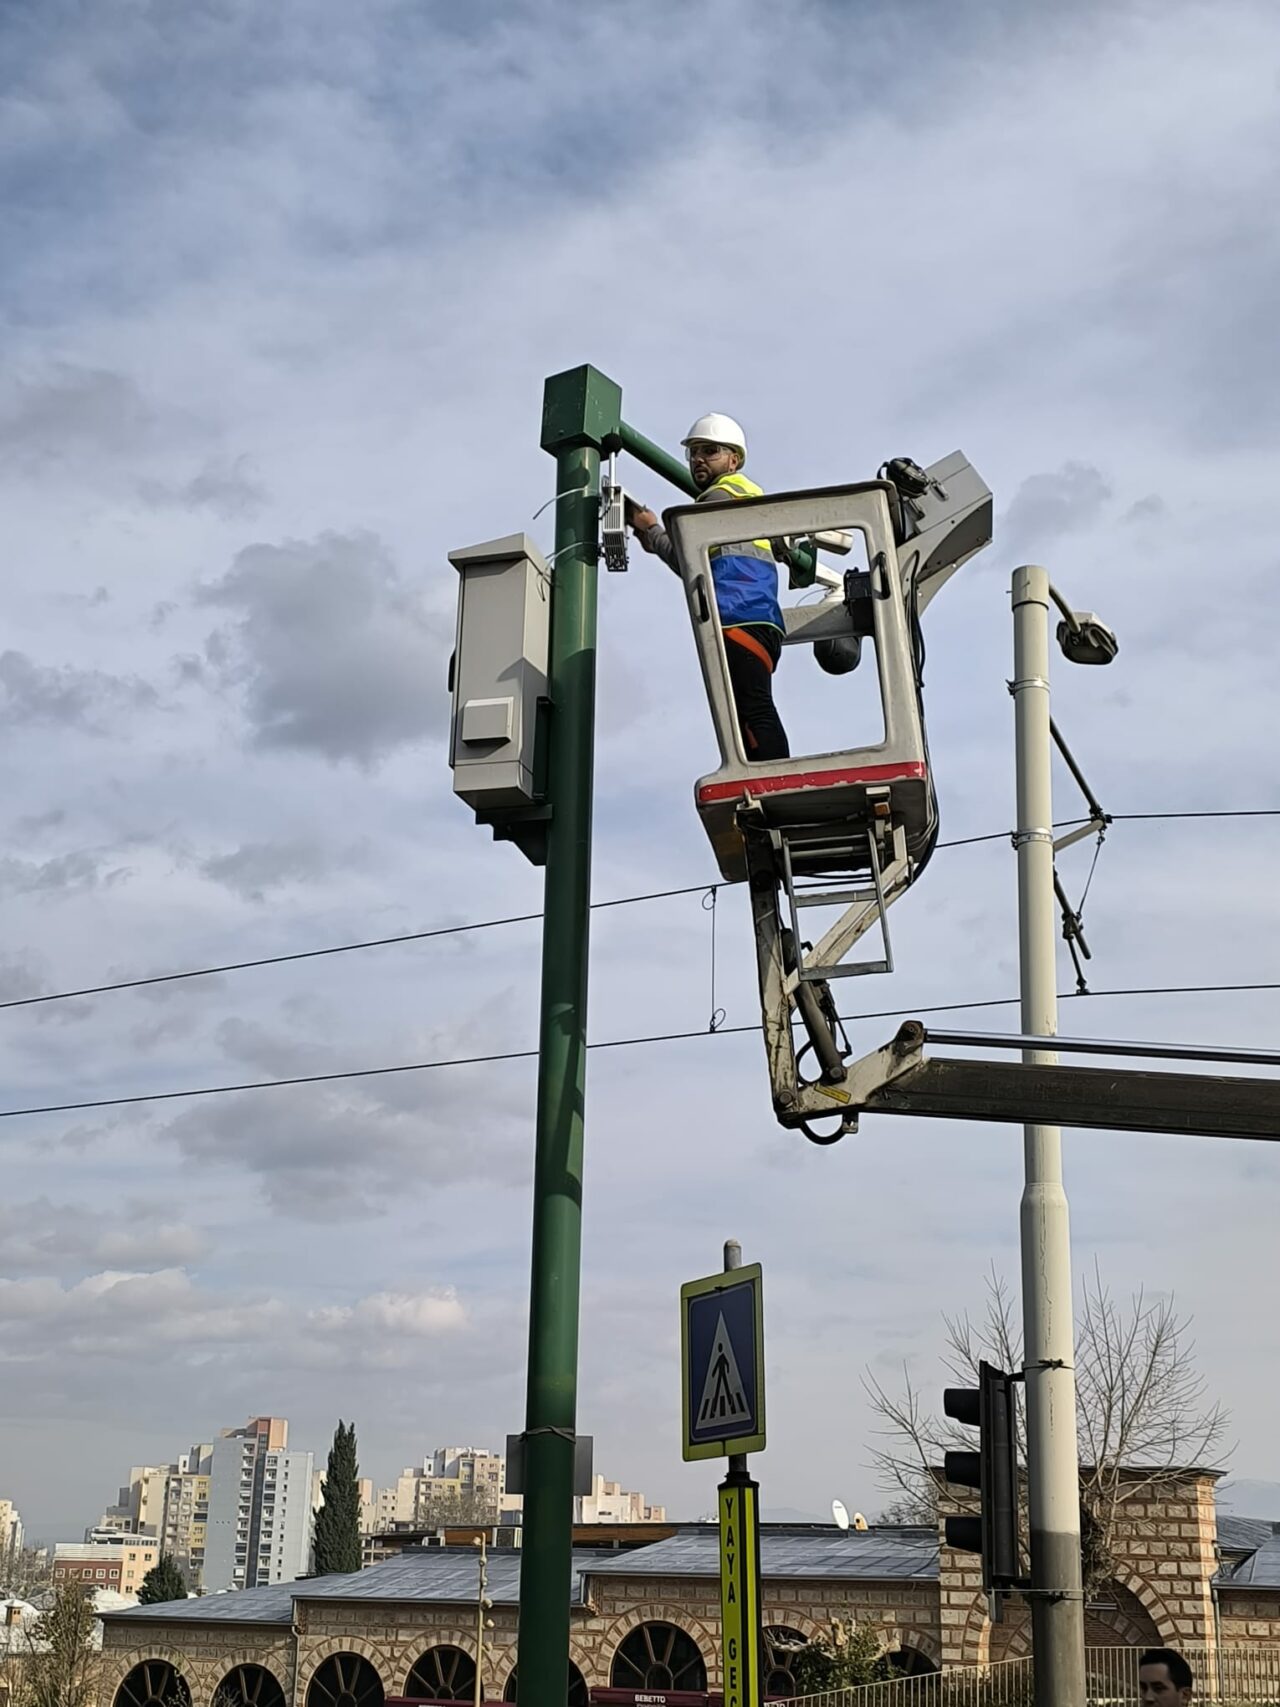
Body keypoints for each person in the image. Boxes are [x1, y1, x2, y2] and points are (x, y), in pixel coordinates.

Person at [628, 412, 790, 762]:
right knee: (750, 710)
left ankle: (773, 775)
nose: (698, 459)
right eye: (694, 452)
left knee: (753, 709)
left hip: (737, 615)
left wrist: (652, 529)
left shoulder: (720, 498)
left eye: (710, 451)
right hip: (759, 618)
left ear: (734, 459)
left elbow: (689, 562)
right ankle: (762, 772)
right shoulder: (752, 498)